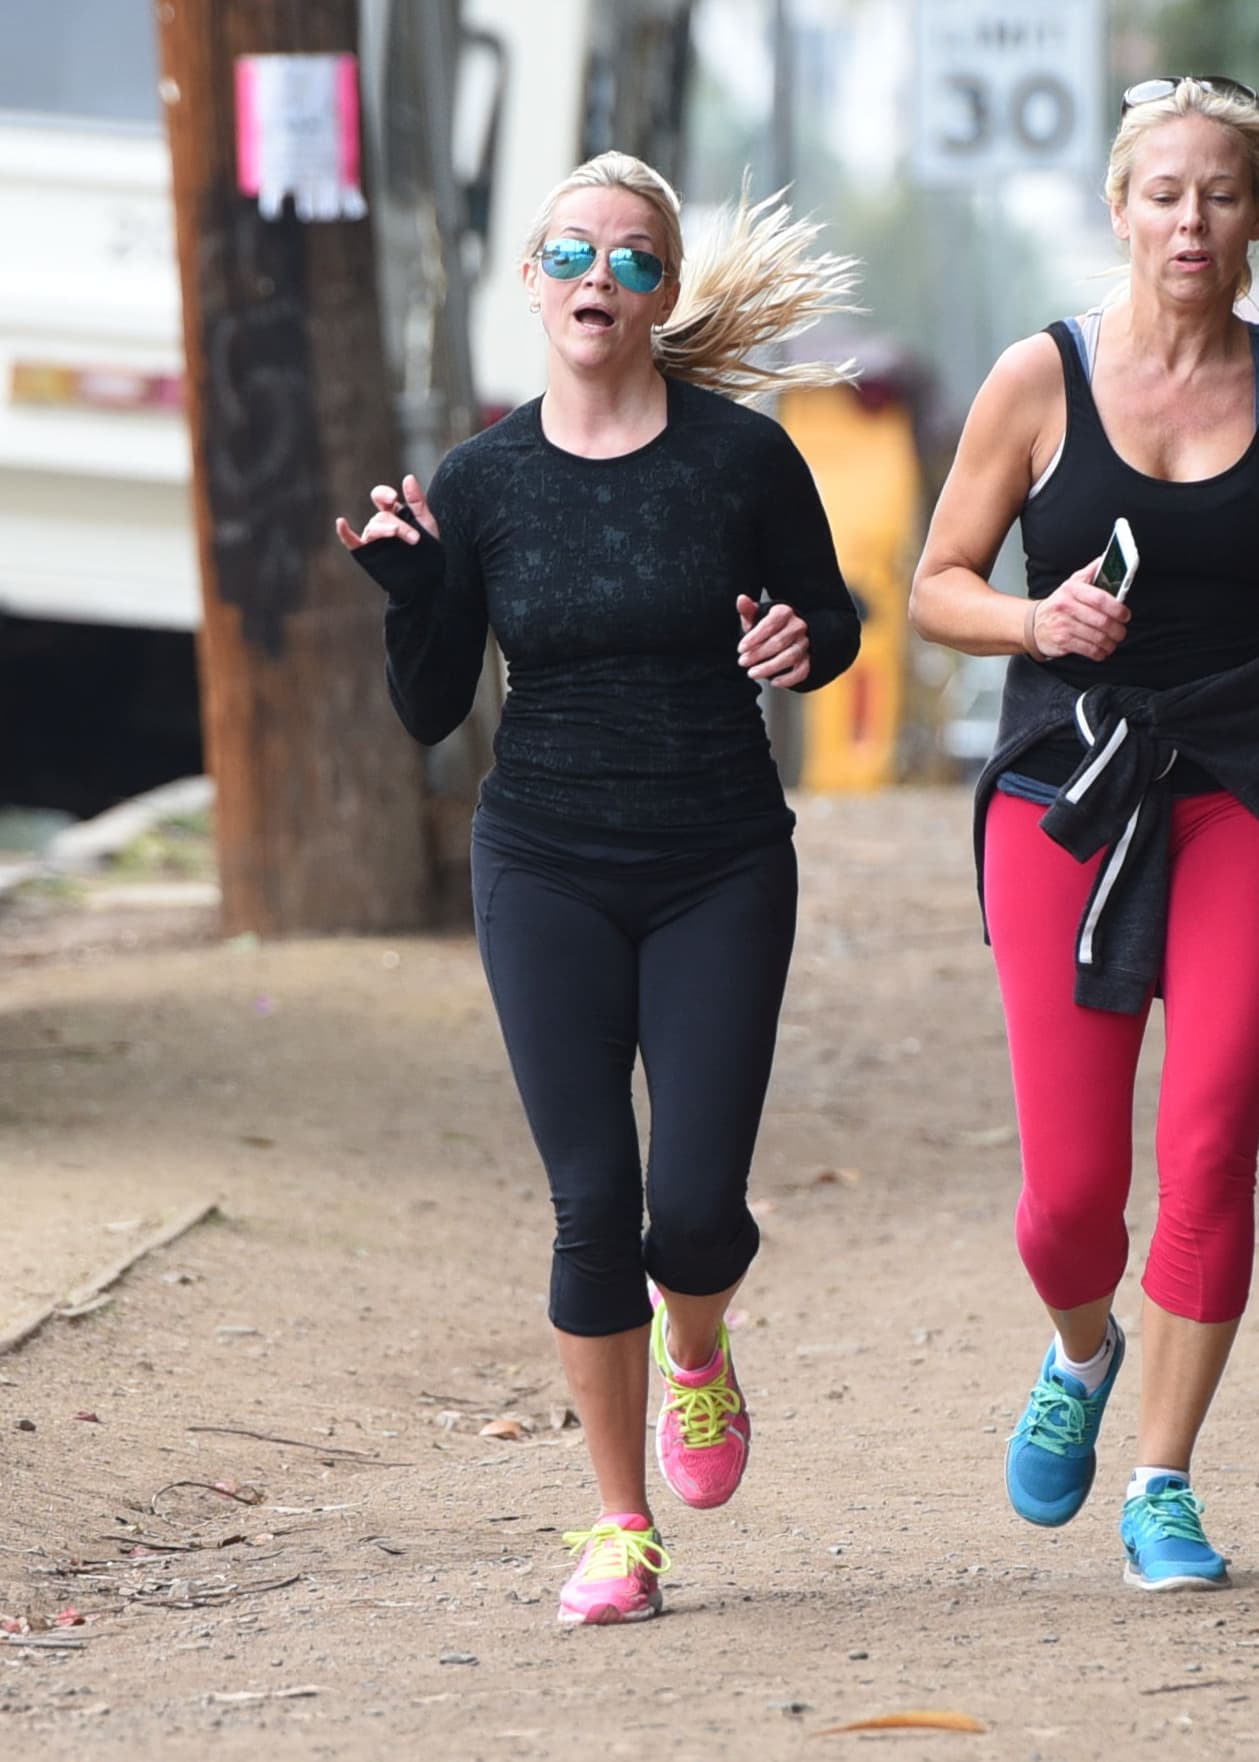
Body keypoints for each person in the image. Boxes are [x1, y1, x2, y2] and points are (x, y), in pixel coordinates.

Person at [336, 151, 862, 1625]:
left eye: (633, 260)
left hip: (718, 862)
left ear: (665, 292)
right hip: (546, 862)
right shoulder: (483, 481)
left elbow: (831, 617)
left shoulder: (741, 461)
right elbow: (435, 708)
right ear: (533, 278)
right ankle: (620, 1523)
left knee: (690, 1209)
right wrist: (414, 592)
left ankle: (699, 1346)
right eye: (574, 253)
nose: (599, 280)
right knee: (593, 1202)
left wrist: (801, 647)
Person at [910, 77, 1259, 1592]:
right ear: (1120, 208)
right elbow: (934, 582)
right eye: (1166, 192)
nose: (1193, 220)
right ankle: (1083, 1343)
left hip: (1242, 782)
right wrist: (1037, 617)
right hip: (1068, 785)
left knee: (1213, 1138)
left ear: (1255, 215)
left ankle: (1166, 1480)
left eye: (1225, 194)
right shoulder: (1037, 380)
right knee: (1068, 1200)